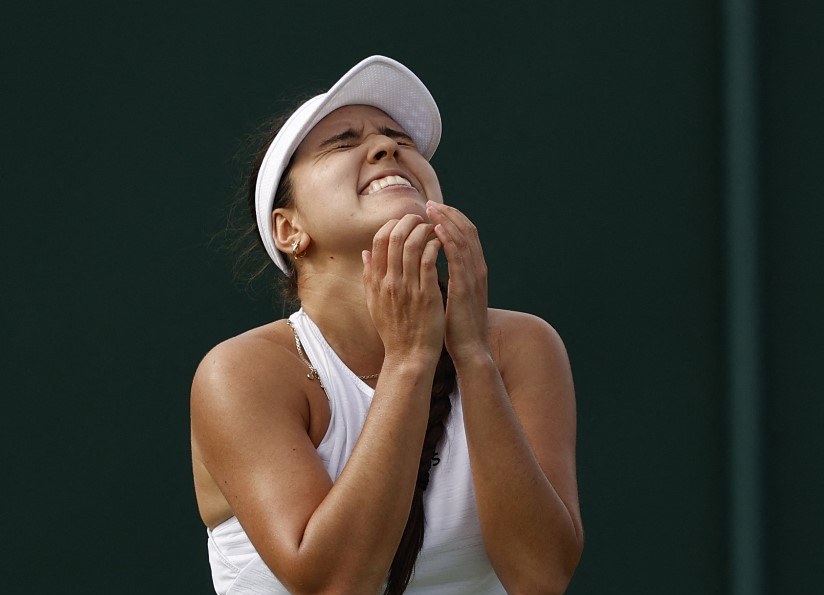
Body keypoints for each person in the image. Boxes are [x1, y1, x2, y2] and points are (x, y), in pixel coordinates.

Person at [190, 55, 583, 595]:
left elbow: (540, 577)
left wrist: (474, 359)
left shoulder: (521, 346)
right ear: (289, 229)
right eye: (342, 141)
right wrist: (410, 360)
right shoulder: (240, 373)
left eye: (399, 139)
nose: (386, 148)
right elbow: (335, 584)